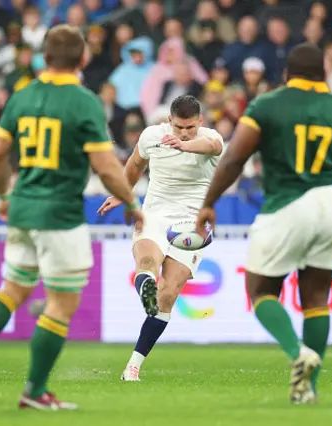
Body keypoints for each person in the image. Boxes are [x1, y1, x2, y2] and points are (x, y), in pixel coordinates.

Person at [0, 24, 143, 411]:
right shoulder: (84, 101)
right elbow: (103, 163)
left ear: (43, 58)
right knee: (61, 304)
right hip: (60, 213)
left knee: (12, 289)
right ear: (83, 59)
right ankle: (34, 390)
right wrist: (130, 202)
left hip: (22, 208)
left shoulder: (23, 95)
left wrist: (3, 195)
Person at [195, 43, 332, 404]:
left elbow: (234, 158)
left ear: (288, 73)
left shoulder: (268, 105)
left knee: (260, 291)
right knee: (317, 298)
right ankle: (308, 389)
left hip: (287, 204)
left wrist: (209, 202)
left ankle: (297, 352)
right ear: (323, 74)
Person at [97, 94, 224, 382]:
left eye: (190, 127)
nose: (184, 132)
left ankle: (133, 366)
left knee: (169, 294)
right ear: (169, 121)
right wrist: (121, 194)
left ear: (200, 122)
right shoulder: (152, 136)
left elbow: (213, 146)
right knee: (146, 260)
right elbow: (134, 165)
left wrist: (186, 144)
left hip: (190, 223)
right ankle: (146, 288)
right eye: (179, 128)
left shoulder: (209, 138)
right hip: (154, 213)